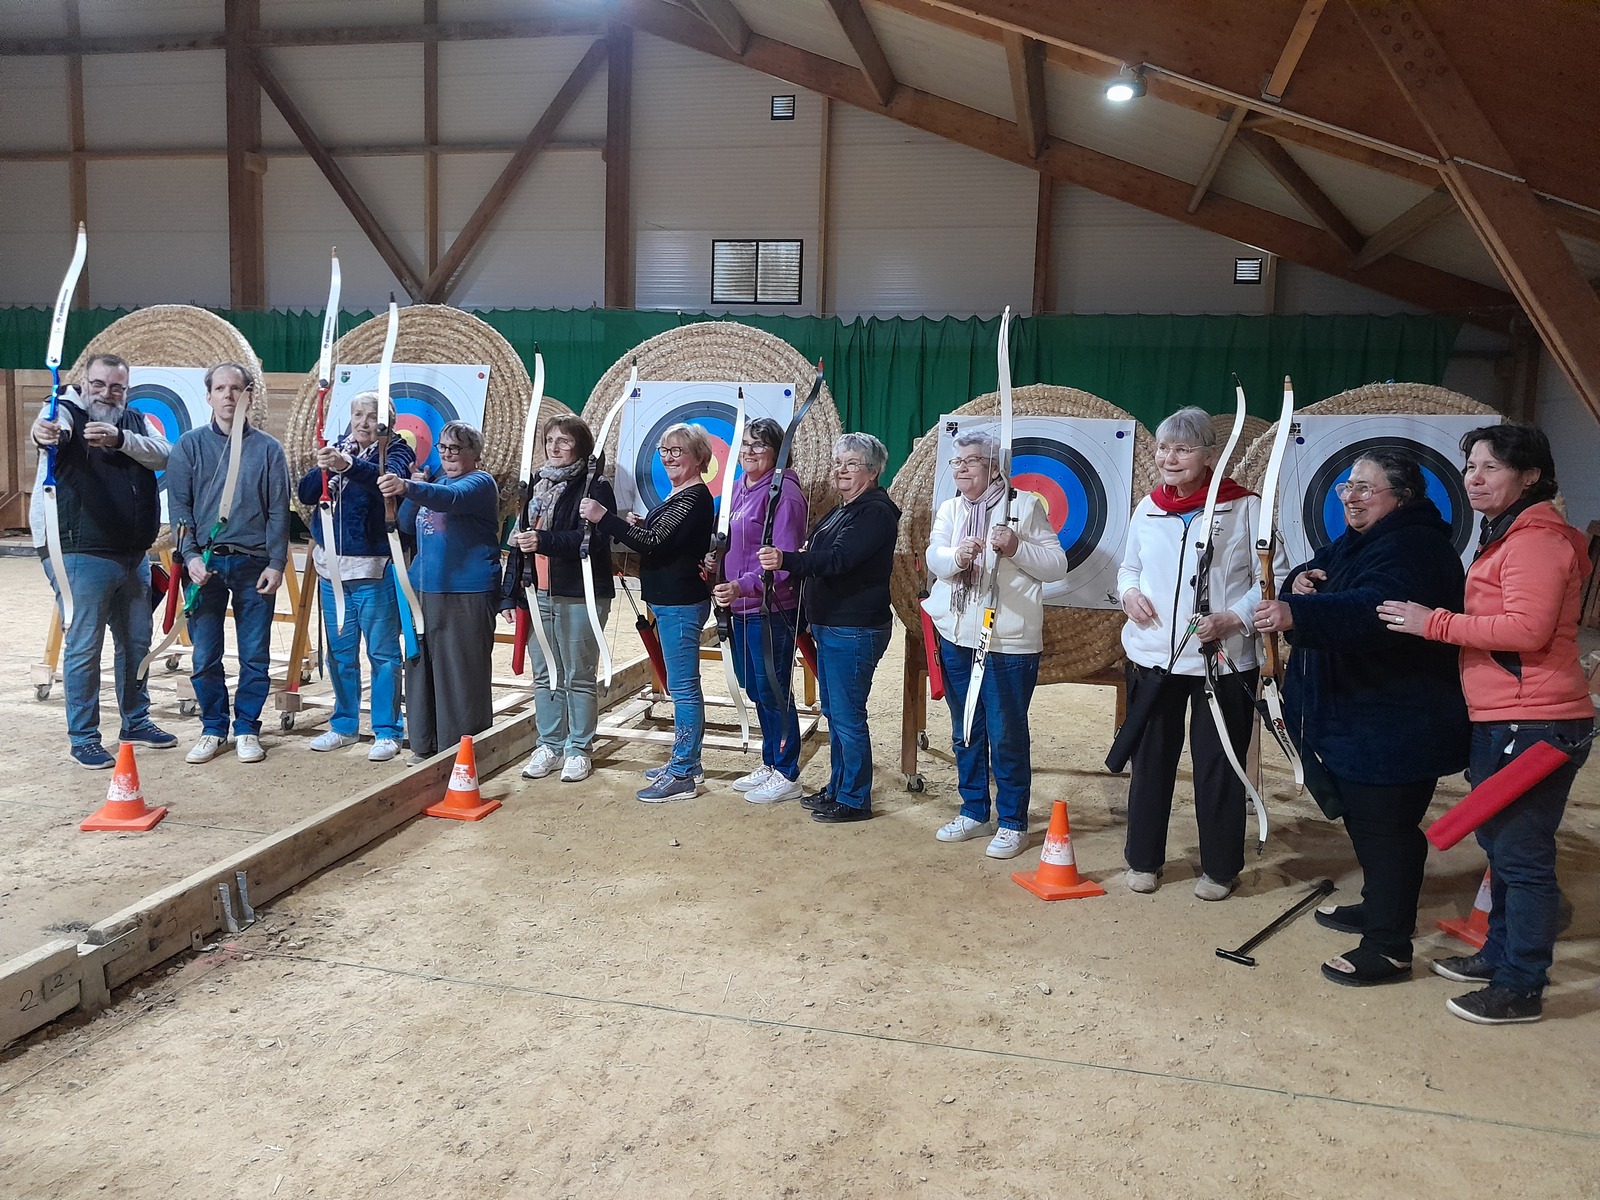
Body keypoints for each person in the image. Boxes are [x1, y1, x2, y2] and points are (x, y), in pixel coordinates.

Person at [1377, 424, 1593, 1024]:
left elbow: (1527, 630)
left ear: (1530, 477)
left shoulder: (1536, 540)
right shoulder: (1511, 534)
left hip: (1537, 722)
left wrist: (1434, 623)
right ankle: (1500, 955)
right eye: (1470, 465)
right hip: (1510, 716)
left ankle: (1522, 985)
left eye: (1490, 467)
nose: (1473, 477)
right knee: (1502, 847)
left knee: (1523, 858)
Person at [1254, 449, 1469, 986]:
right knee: (1370, 824)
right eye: (1347, 488)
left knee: (1387, 830)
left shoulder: (1414, 546)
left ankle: (1389, 947)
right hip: (1363, 718)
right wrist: (1301, 582)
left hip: (1396, 720)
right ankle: (1380, 909)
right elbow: (1328, 572)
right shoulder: (1367, 539)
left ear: (1402, 497)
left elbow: (1375, 608)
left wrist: (1296, 612)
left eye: (1365, 489)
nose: (1350, 496)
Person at [1117, 407, 1282, 900]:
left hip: (1224, 660)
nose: (1170, 458)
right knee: (1151, 761)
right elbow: (1128, 569)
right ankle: (1143, 860)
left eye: (1184, 449)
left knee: (1220, 763)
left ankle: (1219, 868)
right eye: (1164, 448)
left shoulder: (1245, 507)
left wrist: (1236, 618)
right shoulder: (1147, 508)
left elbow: (1271, 578)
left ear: (1209, 455)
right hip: (1153, 658)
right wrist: (1128, 595)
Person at [923, 429, 1067, 858]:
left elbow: (1056, 565)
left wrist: (1016, 545)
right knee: (965, 727)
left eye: (971, 460)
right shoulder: (951, 508)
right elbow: (935, 556)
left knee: (1006, 733)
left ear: (994, 466)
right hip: (958, 634)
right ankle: (973, 810)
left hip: (1008, 642)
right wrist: (956, 558)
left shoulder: (1023, 506)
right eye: (957, 461)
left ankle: (1012, 821)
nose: (962, 468)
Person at [30, 352, 174, 768]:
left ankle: (136, 721)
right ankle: (84, 737)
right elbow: (49, 430)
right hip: (79, 549)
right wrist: (46, 432)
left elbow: (165, 454)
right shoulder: (66, 411)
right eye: (99, 385)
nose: (107, 393)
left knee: (136, 642)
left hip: (132, 552)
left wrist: (119, 439)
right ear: (83, 383)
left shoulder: (134, 420)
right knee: (85, 646)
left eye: (117, 387)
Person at [757, 433, 900, 824]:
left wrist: (786, 559)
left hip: (853, 627)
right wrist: (801, 556)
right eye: (838, 462)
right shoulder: (847, 508)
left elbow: (838, 560)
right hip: (834, 624)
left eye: (852, 464)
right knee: (837, 712)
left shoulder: (875, 512)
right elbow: (822, 552)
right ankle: (838, 787)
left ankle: (854, 798)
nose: (841, 470)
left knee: (848, 715)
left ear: (872, 471)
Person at [164, 362, 291, 765]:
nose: (228, 396)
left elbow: (278, 512)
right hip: (205, 564)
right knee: (205, 653)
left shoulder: (268, 449)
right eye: (220, 388)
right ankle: (213, 727)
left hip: (254, 564)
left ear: (247, 395)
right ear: (209, 396)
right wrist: (188, 557)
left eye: (236, 389)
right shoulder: (189, 445)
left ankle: (248, 729)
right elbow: (180, 506)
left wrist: (276, 562)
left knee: (255, 653)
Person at [581, 422, 714, 802]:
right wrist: (636, 523)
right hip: (670, 601)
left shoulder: (693, 498)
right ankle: (687, 760)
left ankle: (684, 773)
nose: (669, 457)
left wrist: (604, 518)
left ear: (698, 458)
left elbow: (653, 544)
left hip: (680, 604)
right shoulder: (680, 496)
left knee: (685, 689)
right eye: (665, 451)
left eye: (678, 451)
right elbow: (664, 537)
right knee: (681, 685)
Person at [295, 390, 415, 763]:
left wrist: (346, 465)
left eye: (372, 416)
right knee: (340, 653)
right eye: (358, 414)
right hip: (332, 570)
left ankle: (387, 729)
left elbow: (384, 479)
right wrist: (323, 468)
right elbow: (306, 493)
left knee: (382, 653)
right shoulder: (340, 448)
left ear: (388, 422)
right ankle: (344, 724)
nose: (363, 422)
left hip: (373, 568)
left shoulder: (396, 451)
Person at [379, 421, 500, 765]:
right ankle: (424, 743)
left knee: (460, 672)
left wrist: (407, 486)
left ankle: (461, 751)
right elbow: (404, 524)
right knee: (421, 668)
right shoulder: (434, 483)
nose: (448, 454)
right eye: (444, 448)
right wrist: (405, 492)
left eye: (456, 448)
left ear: (474, 454)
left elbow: (451, 500)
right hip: (422, 590)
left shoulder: (479, 483)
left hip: (464, 592)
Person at [510, 415, 615, 785]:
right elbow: (518, 542)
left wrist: (545, 541)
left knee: (577, 674)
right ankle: (550, 744)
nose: (554, 447)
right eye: (550, 440)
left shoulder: (595, 486)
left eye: (564, 441)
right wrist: (511, 594)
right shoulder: (535, 487)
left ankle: (578, 748)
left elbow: (593, 541)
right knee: (545, 674)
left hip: (580, 592)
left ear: (581, 447)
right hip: (538, 592)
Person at [710, 418, 809, 805]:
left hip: (771, 607)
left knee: (773, 687)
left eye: (759, 446)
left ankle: (787, 771)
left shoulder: (784, 494)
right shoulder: (738, 488)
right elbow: (732, 542)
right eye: (745, 445)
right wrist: (716, 565)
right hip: (739, 606)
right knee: (755, 687)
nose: (749, 452)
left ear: (777, 453)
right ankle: (771, 762)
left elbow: (781, 562)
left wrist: (743, 584)